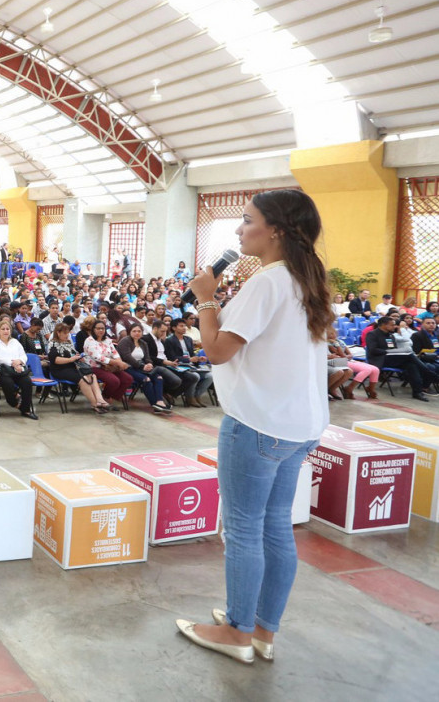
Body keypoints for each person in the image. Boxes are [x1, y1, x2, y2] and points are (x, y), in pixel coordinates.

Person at [175, 189, 333, 665]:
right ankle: (263, 629)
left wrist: (205, 300)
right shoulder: (308, 278)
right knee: (274, 528)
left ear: (277, 230)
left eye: (247, 221)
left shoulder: (267, 281)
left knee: (243, 529)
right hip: (299, 424)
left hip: (258, 423)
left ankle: (238, 632)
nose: (240, 230)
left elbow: (218, 350)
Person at [365, 316, 433, 401]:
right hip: (380, 359)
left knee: (411, 365)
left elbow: (394, 348)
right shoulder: (372, 334)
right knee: (409, 355)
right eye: (392, 325)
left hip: (393, 358)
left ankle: (417, 392)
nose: (395, 327)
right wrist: (388, 351)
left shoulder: (390, 335)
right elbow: (373, 350)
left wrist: (394, 351)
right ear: (385, 325)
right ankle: (429, 373)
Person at [46, 321, 108, 413]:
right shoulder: (53, 344)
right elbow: (55, 360)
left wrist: (79, 357)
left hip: (72, 367)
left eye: (68, 332)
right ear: (58, 333)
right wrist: (71, 359)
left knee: (92, 376)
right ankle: (94, 403)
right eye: (64, 333)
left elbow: (74, 353)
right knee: (83, 379)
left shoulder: (68, 342)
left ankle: (100, 400)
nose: (67, 335)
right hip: (60, 369)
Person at [0, 320, 37, 420]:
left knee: (27, 382)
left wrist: (19, 361)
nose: (5, 331)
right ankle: (13, 403)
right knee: (7, 382)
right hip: (1, 371)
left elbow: (23, 355)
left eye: (7, 329)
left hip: (17, 369)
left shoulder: (15, 342)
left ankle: (26, 410)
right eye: (3, 329)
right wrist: (12, 363)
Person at [117, 324, 172, 413]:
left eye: (139, 331)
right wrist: (142, 366)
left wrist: (149, 363)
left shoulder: (143, 343)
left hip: (142, 367)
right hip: (129, 367)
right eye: (134, 331)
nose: (137, 333)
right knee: (146, 380)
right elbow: (127, 357)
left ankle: (160, 401)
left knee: (159, 378)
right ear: (129, 332)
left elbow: (147, 357)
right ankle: (155, 404)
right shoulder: (125, 341)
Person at [165, 318, 214, 407]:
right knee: (195, 376)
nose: (184, 328)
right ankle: (189, 397)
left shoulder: (188, 339)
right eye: (181, 326)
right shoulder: (169, 340)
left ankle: (197, 396)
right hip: (177, 366)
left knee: (210, 376)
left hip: (190, 366)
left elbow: (191, 354)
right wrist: (189, 359)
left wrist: (198, 358)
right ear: (174, 328)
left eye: (184, 326)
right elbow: (172, 357)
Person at [83, 320, 133, 408]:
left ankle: (111, 398)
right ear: (93, 329)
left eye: (102, 328)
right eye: (98, 328)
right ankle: (106, 397)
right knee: (114, 381)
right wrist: (117, 362)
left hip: (110, 366)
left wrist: (119, 363)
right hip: (95, 367)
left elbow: (114, 353)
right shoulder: (89, 340)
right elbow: (97, 357)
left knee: (128, 379)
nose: (101, 330)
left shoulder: (107, 340)